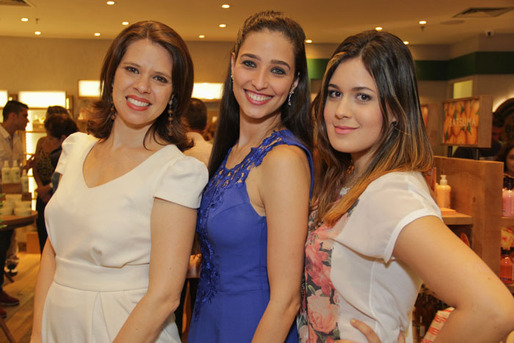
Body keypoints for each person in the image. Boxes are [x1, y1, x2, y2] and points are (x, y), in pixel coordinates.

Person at [298, 30, 514, 342]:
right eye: (334, 93)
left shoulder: (392, 193)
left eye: (363, 96)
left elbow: (493, 309)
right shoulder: (350, 177)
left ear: (396, 111)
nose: (341, 110)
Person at [30, 20, 208, 343]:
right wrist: (37, 334)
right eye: (132, 70)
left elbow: (165, 296)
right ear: (112, 75)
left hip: (129, 328)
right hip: (59, 320)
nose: (143, 86)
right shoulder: (75, 148)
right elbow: (53, 252)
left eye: (159, 78)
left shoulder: (176, 171)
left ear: (173, 94)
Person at [188, 11, 313, 342]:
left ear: (295, 82)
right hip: (209, 320)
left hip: (254, 327)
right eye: (249, 63)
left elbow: (287, 299)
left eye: (277, 70)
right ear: (232, 65)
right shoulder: (230, 152)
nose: (259, 81)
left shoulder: (283, 159)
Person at [174, 97, 212, 336]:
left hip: (174, 241)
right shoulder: (217, 151)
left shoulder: (173, 152)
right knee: (199, 302)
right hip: (206, 243)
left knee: (172, 306)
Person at [33, 111, 79, 253]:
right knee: (45, 241)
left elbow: (70, 178)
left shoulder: (73, 152)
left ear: (63, 138)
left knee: (59, 245)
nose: (48, 141)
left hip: (61, 200)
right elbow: (37, 168)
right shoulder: (43, 144)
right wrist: (42, 188)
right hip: (44, 198)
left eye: (51, 138)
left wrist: (48, 188)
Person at [0, 100, 28, 318]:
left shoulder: (17, 139)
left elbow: (16, 166)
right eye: (23, 115)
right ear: (12, 117)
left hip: (11, 197)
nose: (27, 120)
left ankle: (0, 288)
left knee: (5, 242)